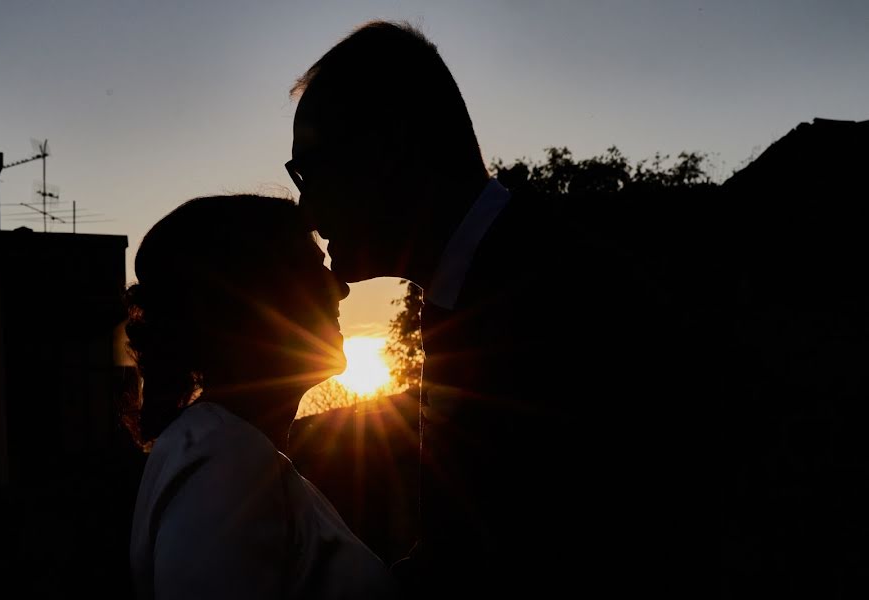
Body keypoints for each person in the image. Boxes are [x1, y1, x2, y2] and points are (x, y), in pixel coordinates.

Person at [288, 20, 706, 597]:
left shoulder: (565, 301)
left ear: (391, 148)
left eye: (310, 172)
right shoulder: (474, 289)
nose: (306, 210)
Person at [125, 195, 401, 600]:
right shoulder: (227, 460)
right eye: (313, 269)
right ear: (252, 300)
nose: (339, 288)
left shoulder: (233, 450)